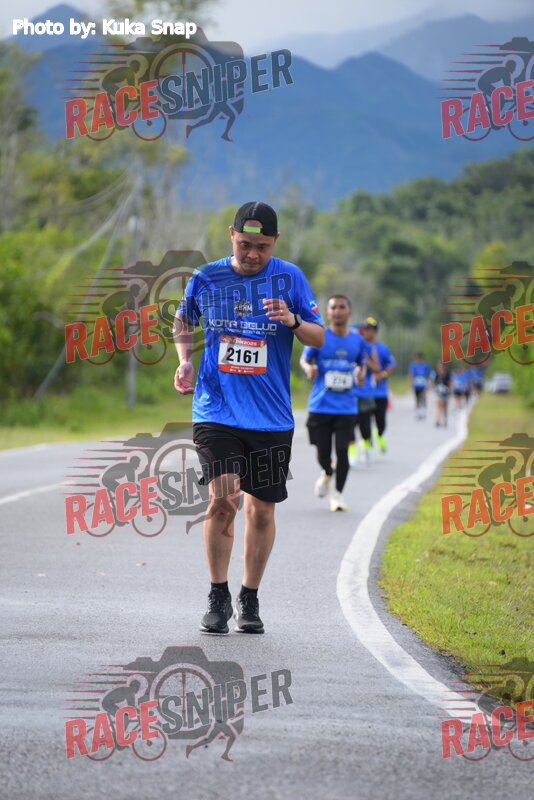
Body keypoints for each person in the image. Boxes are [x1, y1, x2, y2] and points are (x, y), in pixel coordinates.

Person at [174, 201, 324, 635]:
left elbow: (318, 336)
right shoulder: (207, 277)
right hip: (216, 410)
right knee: (224, 498)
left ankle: (249, 597)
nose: (253, 254)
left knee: (261, 512)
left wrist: (292, 321)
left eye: (262, 246)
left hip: (270, 417)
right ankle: (217, 594)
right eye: (244, 244)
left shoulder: (290, 278)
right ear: (231, 236)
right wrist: (185, 360)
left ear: (275, 242)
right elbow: (183, 319)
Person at [300, 295, 366, 512]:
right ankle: (328, 472)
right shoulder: (320, 336)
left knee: (343, 451)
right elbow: (304, 359)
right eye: (333, 308)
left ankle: (338, 495)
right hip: (320, 405)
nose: (337, 311)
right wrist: (309, 369)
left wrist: (360, 372)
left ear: (349, 312)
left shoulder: (357, 340)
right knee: (322, 453)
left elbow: (361, 364)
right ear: (327, 313)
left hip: (346, 406)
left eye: (342, 307)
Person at [361, 317, 396, 453]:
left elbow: (391, 365)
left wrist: (382, 375)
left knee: (380, 420)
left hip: (380, 392)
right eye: (365, 329)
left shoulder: (383, 348)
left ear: (375, 332)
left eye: (370, 329)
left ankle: (379, 435)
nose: (367, 332)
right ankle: (367, 442)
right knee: (364, 420)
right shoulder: (360, 346)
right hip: (365, 391)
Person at [408, 352, 432, 420]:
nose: (419, 360)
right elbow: (411, 374)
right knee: (417, 399)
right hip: (416, 385)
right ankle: (418, 412)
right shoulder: (413, 366)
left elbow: (428, 375)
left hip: (423, 385)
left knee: (424, 399)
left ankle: (423, 412)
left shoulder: (426, 366)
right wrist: (410, 383)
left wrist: (428, 384)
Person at [432, 361, 451, 427]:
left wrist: (450, 389)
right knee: (438, 406)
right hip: (438, 392)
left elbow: (450, 382)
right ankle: (437, 420)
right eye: (440, 366)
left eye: (443, 366)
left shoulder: (448, 374)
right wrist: (433, 388)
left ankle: (445, 420)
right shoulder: (435, 373)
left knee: (445, 407)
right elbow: (432, 381)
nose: (441, 367)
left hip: (445, 392)